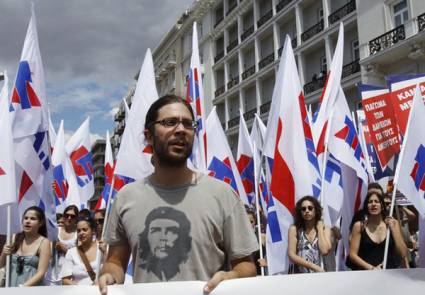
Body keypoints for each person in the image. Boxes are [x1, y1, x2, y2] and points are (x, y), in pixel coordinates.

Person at [99, 95, 258, 294]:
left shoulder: (223, 194)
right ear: (149, 135)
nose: (181, 130)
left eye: (188, 124)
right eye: (170, 122)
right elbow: (115, 260)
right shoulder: (126, 197)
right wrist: (109, 275)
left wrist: (231, 277)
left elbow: (246, 265)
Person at [348, 192, 408, 270]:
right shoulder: (359, 226)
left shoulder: (393, 224)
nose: (373, 204)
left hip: (390, 274)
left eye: (376, 201)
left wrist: (393, 230)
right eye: (370, 202)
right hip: (366, 275)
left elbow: (403, 253)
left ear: (382, 206)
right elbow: (352, 255)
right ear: (366, 206)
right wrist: (372, 268)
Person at [0, 206, 51, 286]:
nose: (28, 221)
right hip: (10, 287)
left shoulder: (44, 242)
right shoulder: (14, 238)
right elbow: (1, 264)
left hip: (30, 289)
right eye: (26, 218)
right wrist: (4, 252)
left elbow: (41, 273)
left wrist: (23, 287)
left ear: (40, 223)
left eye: (32, 219)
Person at [288, 196, 332, 273]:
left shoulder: (325, 229)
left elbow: (324, 251)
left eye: (310, 208)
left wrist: (320, 230)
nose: (307, 211)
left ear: (316, 210)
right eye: (303, 209)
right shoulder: (294, 229)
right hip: (302, 276)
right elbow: (292, 255)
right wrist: (314, 267)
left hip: (322, 275)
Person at [61, 217, 101, 285]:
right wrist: (80, 289)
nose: (81, 233)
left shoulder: (102, 249)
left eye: (84, 230)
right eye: (78, 231)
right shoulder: (71, 252)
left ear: (93, 231)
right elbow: (65, 280)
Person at [50, 205, 79, 285]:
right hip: (52, 274)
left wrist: (65, 249)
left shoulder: (78, 234)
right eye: (66, 215)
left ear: (76, 218)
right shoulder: (55, 231)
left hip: (68, 275)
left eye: (72, 216)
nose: (69, 218)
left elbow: (79, 256)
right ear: (63, 217)